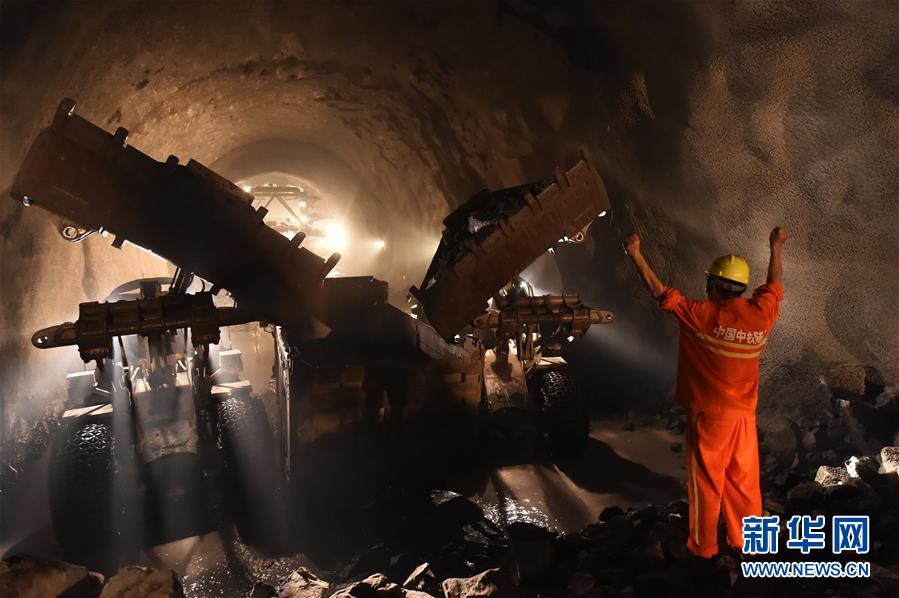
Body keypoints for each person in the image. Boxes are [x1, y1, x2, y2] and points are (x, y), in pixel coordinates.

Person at [623, 226, 788, 558]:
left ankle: (704, 549)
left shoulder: (702, 317)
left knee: (707, 484)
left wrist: (635, 254)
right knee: (744, 483)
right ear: (742, 288)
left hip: (710, 419)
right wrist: (776, 247)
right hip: (744, 419)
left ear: (713, 285)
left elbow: (660, 292)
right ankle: (749, 544)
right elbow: (774, 286)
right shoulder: (761, 316)